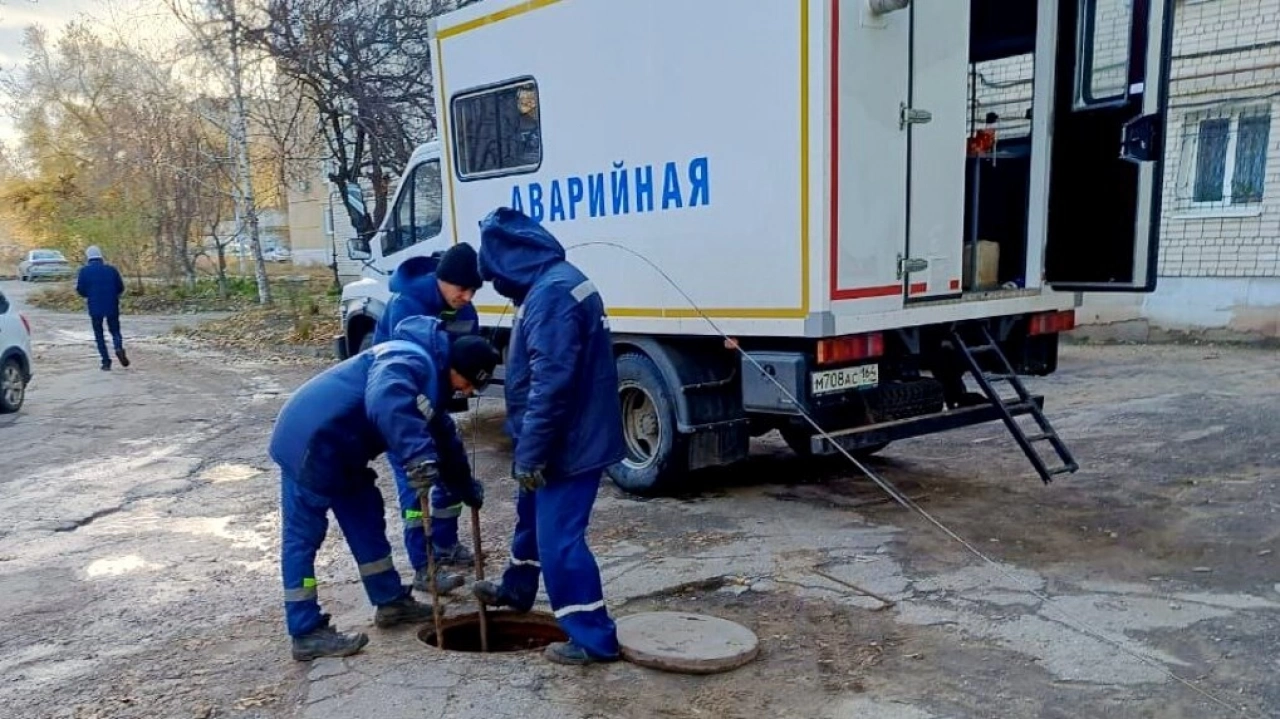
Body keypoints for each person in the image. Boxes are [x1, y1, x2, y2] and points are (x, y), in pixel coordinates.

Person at [269, 315, 500, 661]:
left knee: (366, 519)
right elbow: (386, 398)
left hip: (344, 451)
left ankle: (390, 602)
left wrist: (464, 485)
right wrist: (418, 458)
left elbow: (445, 440)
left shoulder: (431, 382)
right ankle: (306, 631)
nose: (466, 393)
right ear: (456, 365)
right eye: (468, 383)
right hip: (309, 442)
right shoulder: (410, 359)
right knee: (304, 537)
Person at [471, 207, 626, 666]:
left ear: (508, 262)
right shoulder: (554, 282)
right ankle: (517, 590)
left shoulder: (551, 296)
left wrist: (533, 454)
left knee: (560, 541)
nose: (497, 287)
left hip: (568, 444)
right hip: (558, 438)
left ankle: (593, 637)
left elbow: (551, 383)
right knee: (532, 523)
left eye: (494, 275)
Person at [372, 242, 484, 595]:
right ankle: (424, 566)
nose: (466, 296)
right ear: (441, 280)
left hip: (436, 407)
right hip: (401, 412)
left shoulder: (466, 313)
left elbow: (467, 360)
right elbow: (395, 374)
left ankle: (447, 544)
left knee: (451, 475)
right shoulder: (407, 305)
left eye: (473, 290)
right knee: (415, 484)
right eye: (460, 289)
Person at [75, 245, 128, 371]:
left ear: (88, 257)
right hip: (111, 304)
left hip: (95, 306)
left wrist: (89, 294)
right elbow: (121, 287)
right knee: (115, 330)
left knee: (99, 334)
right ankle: (118, 347)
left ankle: (106, 362)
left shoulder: (84, 271)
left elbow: (81, 290)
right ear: (101, 256)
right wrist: (114, 295)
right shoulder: (111, 270)